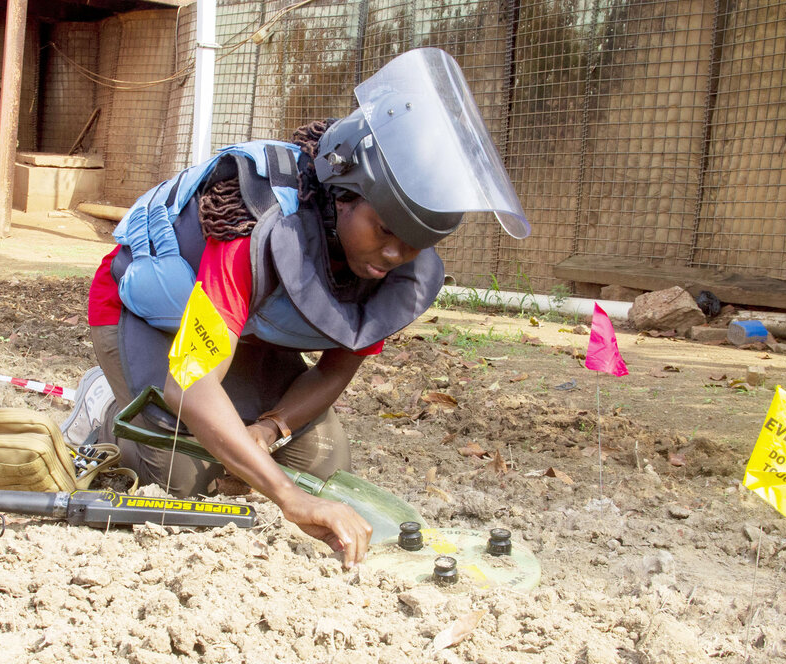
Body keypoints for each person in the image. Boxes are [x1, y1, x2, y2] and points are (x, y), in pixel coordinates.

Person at [78, 48, 530, 568]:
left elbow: (338, 367)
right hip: (149, 318)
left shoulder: (396, 266)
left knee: (319, 462)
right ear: (343, 194)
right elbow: (191, 381)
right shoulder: (258, 226)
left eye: (413, 245)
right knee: (180, 477)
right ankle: (104, 407)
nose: (394, 255)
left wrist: (270, 429)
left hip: (247, 330)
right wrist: (290, 499)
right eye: (384, 231)